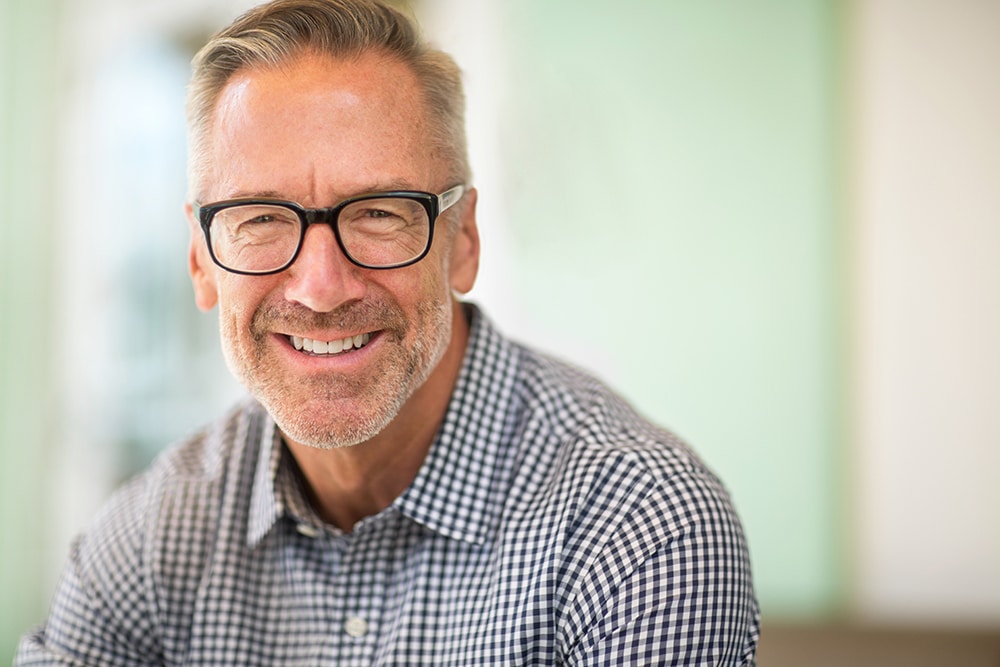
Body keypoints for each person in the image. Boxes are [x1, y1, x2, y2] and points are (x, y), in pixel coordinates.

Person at [17, 0, 759, 664]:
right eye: (261, 219)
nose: (320, 287)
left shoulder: (640, 524)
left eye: (378, 212)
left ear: (462, 239)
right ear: (201, 259)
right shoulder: (151, 538)